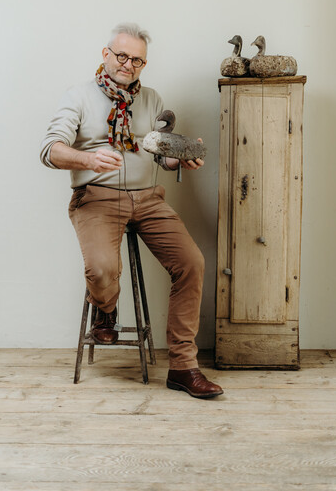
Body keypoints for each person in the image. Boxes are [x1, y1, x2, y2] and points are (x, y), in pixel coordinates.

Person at [40, 22, 223, 399]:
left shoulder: (152, 98)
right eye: (122, 55)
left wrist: (181, 160)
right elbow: (50, 150)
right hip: (97, 197)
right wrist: (88, 157)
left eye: (138, 60)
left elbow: (157, 152)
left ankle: (183, 368)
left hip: (149, 198)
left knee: (192, 263)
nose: (128, 64)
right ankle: (105, 308)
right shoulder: (78, 96)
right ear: (106, 54)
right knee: (103, 269)